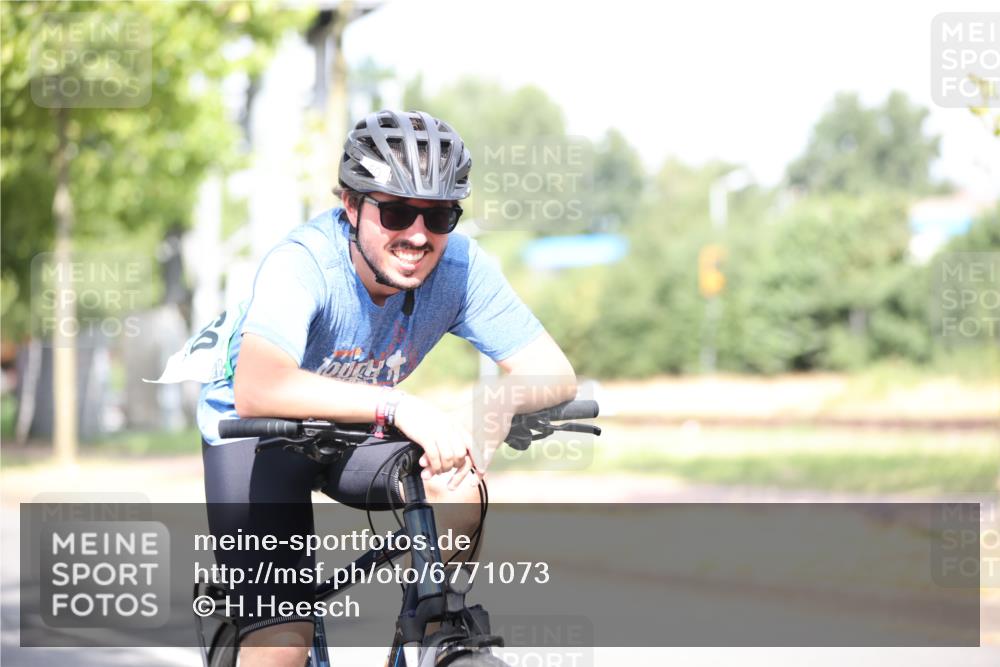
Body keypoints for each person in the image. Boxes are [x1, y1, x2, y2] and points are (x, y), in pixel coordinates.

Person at [197, 109, 577, 667]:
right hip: (256, 432)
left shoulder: (460, 268)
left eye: (440, 215)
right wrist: (398, 404)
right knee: (284, 639)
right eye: (397, 211)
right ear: (351, 206)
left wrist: (496, 402)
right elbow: (259, 385)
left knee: (458, 485)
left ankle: (432, 632)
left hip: (358, 424)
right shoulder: (303, 263)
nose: (418, 235)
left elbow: (552, 369)